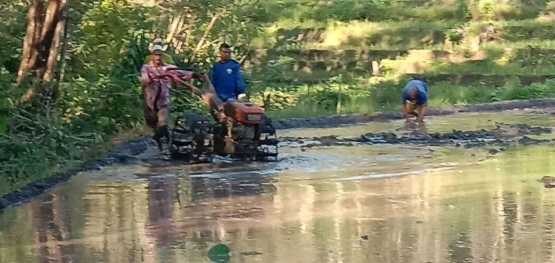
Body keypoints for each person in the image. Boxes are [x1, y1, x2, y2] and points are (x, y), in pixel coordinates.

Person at [140, 44, 196, 151]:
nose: (158, 57)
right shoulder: (146, 68)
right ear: (152, 55)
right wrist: (153, 78)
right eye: (156, 55)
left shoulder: (168, 68)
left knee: (162, 123)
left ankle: (167, 142)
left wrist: (195, 75)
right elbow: (144, 81)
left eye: (160, 55)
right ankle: (160, 145)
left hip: (163, 101)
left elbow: (182, 73)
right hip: (150, 103)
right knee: (153, 126)